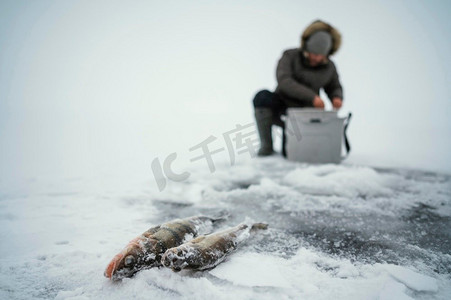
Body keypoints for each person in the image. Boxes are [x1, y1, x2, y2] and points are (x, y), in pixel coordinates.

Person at [252, 20, 343, 156]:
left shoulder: (329, 67)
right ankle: (266, 147)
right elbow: (284, 81)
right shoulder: (290, 56)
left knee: (290, 153)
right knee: (262, 97)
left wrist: (337, 97)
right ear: (307, 47)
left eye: (320, 55)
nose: (316, 58)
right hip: (282, 108)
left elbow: (334, 85)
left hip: (305, 114)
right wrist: (312, 97)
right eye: (314, 53)